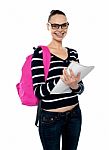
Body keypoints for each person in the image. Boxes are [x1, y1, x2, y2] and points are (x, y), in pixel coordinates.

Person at [31, 10, 84, 150]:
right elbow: (38, 92)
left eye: (63, 25)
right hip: (50, 119)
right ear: (48, 26)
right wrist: (60, 81)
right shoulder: (40, 53)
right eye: (55, 26)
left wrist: (74, 85)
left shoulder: (73, 53)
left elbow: (81, 88)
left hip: (74, 115)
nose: (60, 30)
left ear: (67, 26)